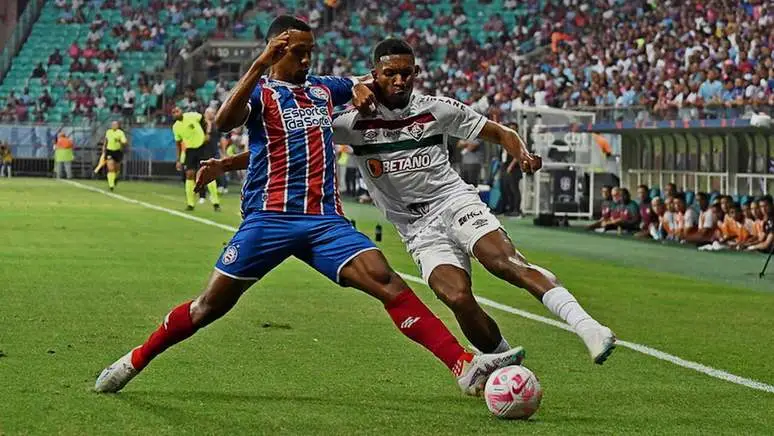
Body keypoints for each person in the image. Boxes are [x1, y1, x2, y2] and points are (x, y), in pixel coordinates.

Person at [95, 17, 524, 396]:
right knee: (208, 307)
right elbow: (223, 123)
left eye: (309, 53)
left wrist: (359, 86)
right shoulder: (262, 93)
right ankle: (135, 359)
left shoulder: (322, 89)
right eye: (297, 54)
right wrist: (258, 68)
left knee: (388, 282)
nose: (305, 61)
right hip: (270, 219)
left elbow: (374, 80)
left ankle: (463, 366)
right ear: (275, 52)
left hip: (324, 222)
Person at [200, 38, 615, 363]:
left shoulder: (438, 109)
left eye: (407, 74)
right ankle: (504, 359)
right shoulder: (349, 122)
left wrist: (520, 152)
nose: (399, 82)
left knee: (503, 262)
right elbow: (285, 143)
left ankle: (587, 327)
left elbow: (501, 132)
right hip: (416, 228)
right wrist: (224, 163)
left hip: (454, 202)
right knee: (456, 297)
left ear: (415, 73)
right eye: (390, 74)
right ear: (373, 76)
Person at [172, 107, 221, 211]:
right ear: (172, 116)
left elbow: (204, 120)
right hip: (190, 150)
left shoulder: (191, 116)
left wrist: (207, 133)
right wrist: (178, 160)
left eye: (177, 110)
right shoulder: (176, 127)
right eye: (174, 112)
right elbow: (178, 144)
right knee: (189, 174)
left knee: (208, 172)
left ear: (181, 111)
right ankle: (190, 204)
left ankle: (216, 203)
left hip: (202, 148)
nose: (176, 113)